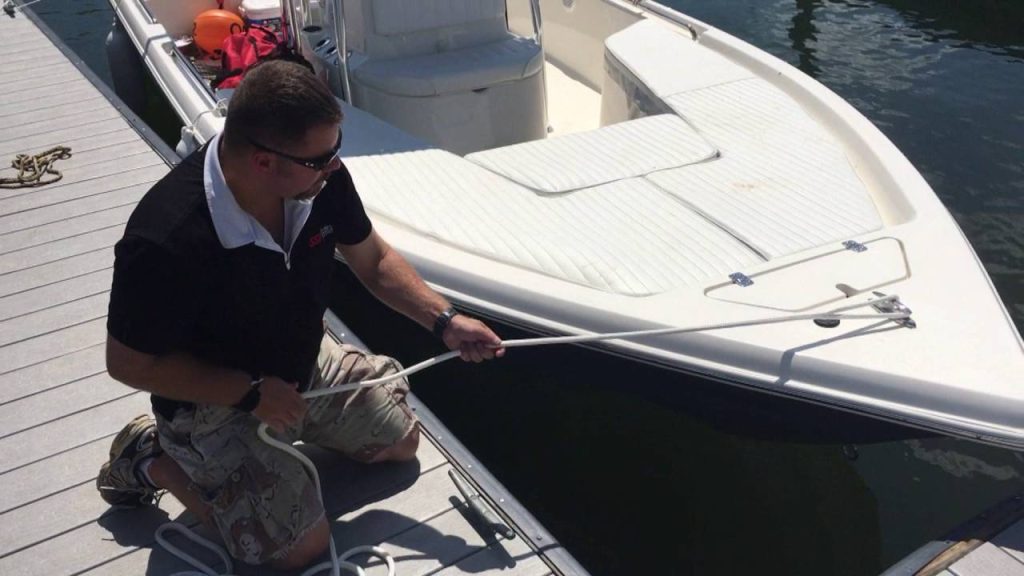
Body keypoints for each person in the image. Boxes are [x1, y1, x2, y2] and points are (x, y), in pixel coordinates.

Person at [96, 59, 504, 570]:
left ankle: (276, 448)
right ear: (264, 162)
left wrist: (444, 321)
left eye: (336, 151)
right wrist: (249, 393)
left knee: (400, 440)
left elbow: (373, 260)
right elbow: (127, 363)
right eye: (322, 158)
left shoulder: (318, 181)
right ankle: (153, 458)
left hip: (303, 362)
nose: (336, 165)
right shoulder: (165, 238)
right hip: (215, 401)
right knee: (298, 551)